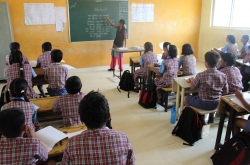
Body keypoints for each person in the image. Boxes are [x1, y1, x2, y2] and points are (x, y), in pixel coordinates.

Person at [61, 91, 135, 164]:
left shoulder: (71, 144)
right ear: (108, 116)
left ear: (81, 119)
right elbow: (131, 162)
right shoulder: (123, 138)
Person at [184, 51, 228, 122]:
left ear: (206, 63)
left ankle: (194, 116)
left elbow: (192, 88)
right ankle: (211, 118)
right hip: (217, 104)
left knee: (185, 98)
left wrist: (193, 80)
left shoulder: (200, 75)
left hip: (203, 103)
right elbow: (226, 91)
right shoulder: (223, 75)